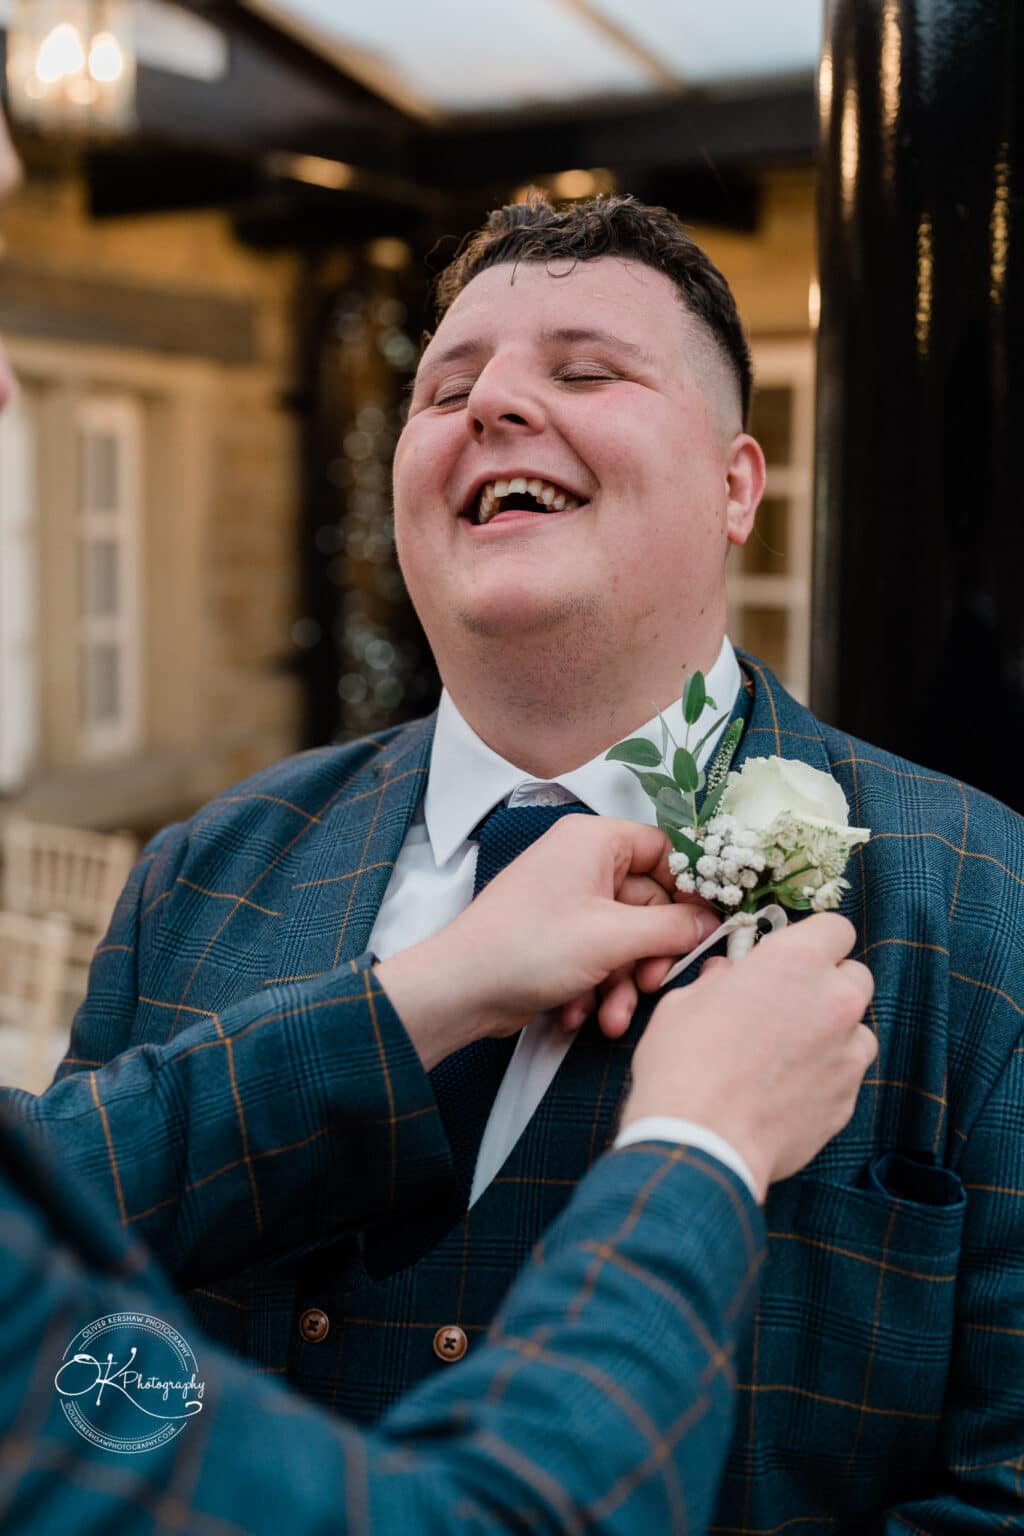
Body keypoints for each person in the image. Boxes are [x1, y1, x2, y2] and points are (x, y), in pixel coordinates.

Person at [12, 147, 1024, 1526]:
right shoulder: (202, 874)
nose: (491, 401)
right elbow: (79, 1374)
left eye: (589, 372)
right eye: (445, 389)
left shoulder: (986, 902)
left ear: (739, 487)